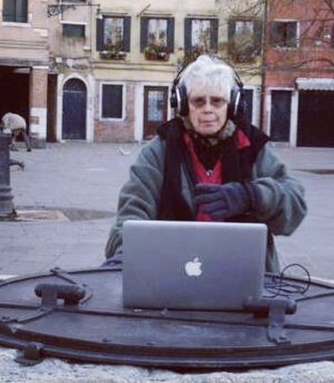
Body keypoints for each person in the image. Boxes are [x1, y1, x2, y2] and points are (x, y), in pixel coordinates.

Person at [104, 55, 307, 273]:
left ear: (232, 105)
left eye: (217, 101)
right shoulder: (159, 150)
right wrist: (126, 250)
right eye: (198, 101)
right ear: (183, 104)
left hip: (244, 272)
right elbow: (133, 209)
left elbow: (294, 205)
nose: (208, 109)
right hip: (171, 272)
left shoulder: (252, 146)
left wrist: (253, 195)